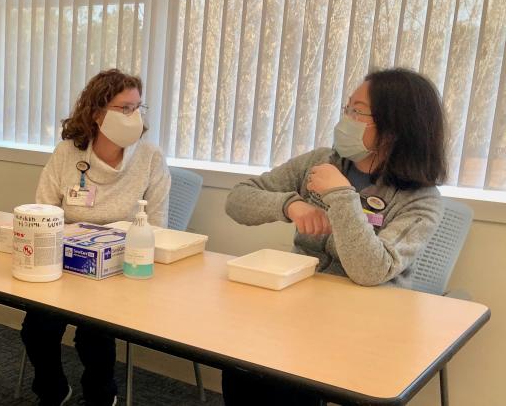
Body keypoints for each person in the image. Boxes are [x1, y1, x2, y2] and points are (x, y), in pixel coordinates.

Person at [222, 68, 448, 405]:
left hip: (365, 324)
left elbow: (371, 270)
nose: (347, 119)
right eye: (348, 109)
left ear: (395, 126)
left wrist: (341, 195)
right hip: (301, 308)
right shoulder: (322, 161)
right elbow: (237, 200)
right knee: (242, 364)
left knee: (290, 382)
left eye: (358, 111)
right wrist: (290, 205)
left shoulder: (421, 200)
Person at [22, 69, 171, 406]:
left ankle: (101, 395)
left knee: (95, 333)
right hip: (65, 264)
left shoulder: (150, 158)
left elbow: (158, 227)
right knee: (37, 328)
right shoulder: (67, 154)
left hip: (122, 269)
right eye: (125, 108)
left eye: (138, 108)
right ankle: (53, 389)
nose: (135, 117)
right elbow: (43, 210)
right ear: (97, 111)